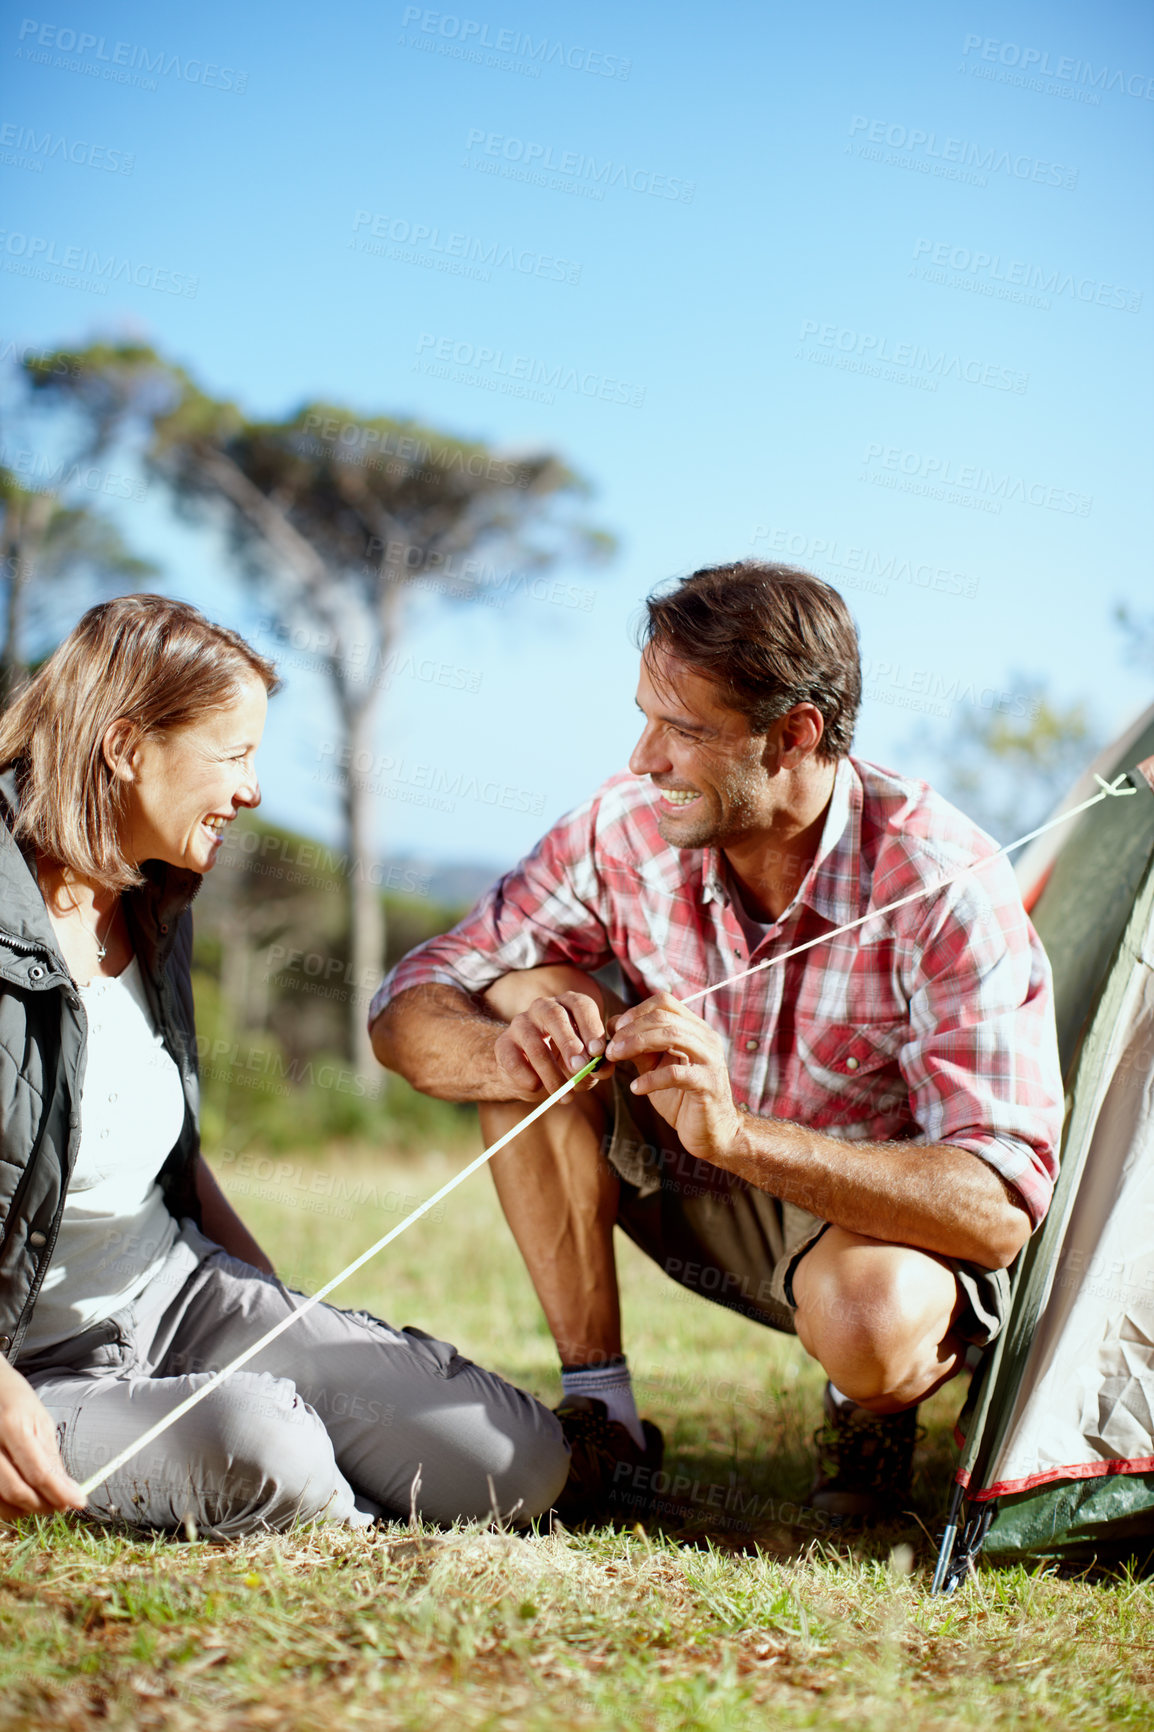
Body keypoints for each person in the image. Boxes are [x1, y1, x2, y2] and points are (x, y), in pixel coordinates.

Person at [370, 562, 1065, 1523]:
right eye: (646, 717)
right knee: (521, 995)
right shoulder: (621, 830)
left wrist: (736, 1136)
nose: (643, 757)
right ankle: (603, 1418)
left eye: (682, 731)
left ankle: (861, 1412)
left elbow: (997, 1206)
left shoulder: (943, 880)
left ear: (793, 736)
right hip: (691, 1198)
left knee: (870, 1324)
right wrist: (509, 1060)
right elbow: (405, 1002)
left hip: (857, 1228)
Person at [0, 595, 568, 1536]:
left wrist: (277, 1312)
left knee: (516, 1459)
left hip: (179, 1296)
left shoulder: (152, 900)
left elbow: (161, 1149)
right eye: (233, 756)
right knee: (273, 1450)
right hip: (34, 1359)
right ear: (125, 744)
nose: (252, 790)